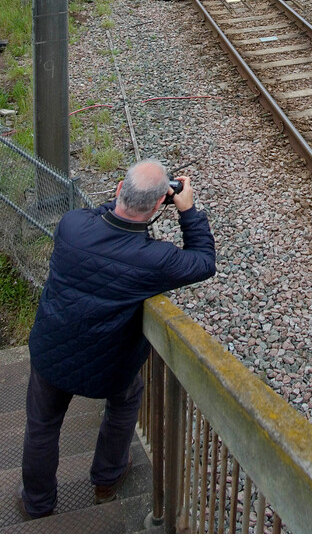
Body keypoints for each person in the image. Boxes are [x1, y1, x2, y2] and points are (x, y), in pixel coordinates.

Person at [19, 158, 216, 520]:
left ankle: (37, 503)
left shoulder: (71, 226)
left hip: (50, 353)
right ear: (160, 205)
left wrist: (129, 201)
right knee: (125, 402)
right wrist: (187, 210)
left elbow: (103, 216)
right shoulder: (155, 260)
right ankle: (107, 480)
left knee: (42, 427)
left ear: (118, 191)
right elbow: (204, 261)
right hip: (108, 368)